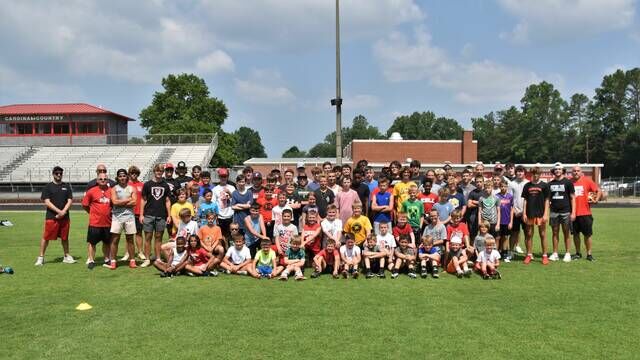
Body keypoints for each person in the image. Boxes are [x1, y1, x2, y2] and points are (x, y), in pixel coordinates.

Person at [35, 166, 76, 266]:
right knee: (46, 237)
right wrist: (59, 212)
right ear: (53, 174)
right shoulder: (48, 187)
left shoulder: (66, 186)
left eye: (60, 173)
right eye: (57, 173)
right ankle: (41, 257)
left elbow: (70, 200)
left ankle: (66, 256)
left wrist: (64, 212)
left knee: (65, 238)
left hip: (65, 217)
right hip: (51, 217)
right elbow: (47, 202)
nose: (59, 175)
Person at [140, 164, 171, 267]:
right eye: (157, 170)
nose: (159, 172)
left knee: (159, 238)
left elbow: (167, 201)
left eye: (161, 171)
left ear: (163, 172)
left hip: (161, 215)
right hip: (148, 215)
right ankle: (147, 259)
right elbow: (143, 200)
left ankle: (158, 258)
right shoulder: (147, 184)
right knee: (148, 237)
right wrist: (141, 214)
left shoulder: (165, 185)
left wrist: (169, 215)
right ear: (154, 171)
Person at [82, 173, 113, 269]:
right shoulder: (91, 191)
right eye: (101, 179)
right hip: (95, 223)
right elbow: (85, 205)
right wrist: (92, 213)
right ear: (97, 180)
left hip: (108, 222)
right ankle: (91, 260)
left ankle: (107, 259)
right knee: (92, 243)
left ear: (107, 180)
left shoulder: (112, 191)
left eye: (105, 179)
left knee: (107, 242)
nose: (103, 180)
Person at [570, 165, 602, 261]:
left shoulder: (587, 180)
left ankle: (589, 254)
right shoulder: (569, 182)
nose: (576, 172)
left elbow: (598, 190)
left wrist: (596, 199)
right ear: (572, 172)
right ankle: (578, 253)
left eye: (578, 171)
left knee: (587, 235)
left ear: (581, 172)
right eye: (574, 171)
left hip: (585, 213)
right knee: (575, 235)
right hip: (573, 214)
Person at [109, 169, 137, 269]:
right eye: (120, 176)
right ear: (117, 177)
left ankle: (132, 260)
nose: (122, 178)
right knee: (115, 239)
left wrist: (121, 202)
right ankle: (113, 261)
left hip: (129, 216)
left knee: (130, 239)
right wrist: (128, 199)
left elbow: (134, 202)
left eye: (124, 176)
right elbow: (114, 202)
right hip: (117, 217)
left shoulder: (132, 188)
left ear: (127, 177)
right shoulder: (114, 189)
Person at [522, 167, 550, 265]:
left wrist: (546, 214)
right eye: (534, 174)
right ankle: (529, 255)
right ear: (531, 174)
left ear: (540, 174)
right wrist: (524, 213)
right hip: (530, 213)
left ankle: (545, 256)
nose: (535, 175)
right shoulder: (527, 186)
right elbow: (525, 200)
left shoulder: (544, 185)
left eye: (537, 174)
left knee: (542, 235)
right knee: (529, 234)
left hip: (541, 213)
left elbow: (547, 200)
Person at [548, 163, 576, 262]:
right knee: (554, 233)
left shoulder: (568, 183)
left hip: (566, 211)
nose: (557, 171)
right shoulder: (550, 184)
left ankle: (567, 253)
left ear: (563, 171)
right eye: (556, 169)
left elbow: (573, 198)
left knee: (566, 233)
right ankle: (555, 253)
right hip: (554, 212)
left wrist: (573, 212)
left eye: (559, 169)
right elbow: (547, 199)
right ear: (553, 171)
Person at [509, 165, 528, 257]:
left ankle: (529, 253)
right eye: (518, 171)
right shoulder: (512, 184)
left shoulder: (528, 183)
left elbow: (529, 199)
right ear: (515, 173)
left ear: (524, 173)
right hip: (515, 212)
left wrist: (524, 211)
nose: (519, 173)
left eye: (521, 171)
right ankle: (511, 252)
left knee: (527, 233)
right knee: (514, 233)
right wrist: (514, 210)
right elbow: (510, 199)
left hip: (526, 213)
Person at [127, 165, 145, 261]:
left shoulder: (142, 185)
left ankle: (140, 252)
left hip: (138, 212)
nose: (133, 175)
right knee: (128, 234)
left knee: (138, 233)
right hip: (128, 212)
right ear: (129, 174)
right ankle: (128, 252)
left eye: (135, 173)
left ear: (138, 174)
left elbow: (144, 199)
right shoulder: (126, 185)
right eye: (131, 173)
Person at [212, 168, 236, 239]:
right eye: (221, 176)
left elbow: (236, 200)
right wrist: (215, 216)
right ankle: (225, 249)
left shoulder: (232, 187)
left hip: (230, 216)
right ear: (219, 177)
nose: (223, 178)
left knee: (232, 235)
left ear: (227, 177)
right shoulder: (215, 189)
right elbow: (214, 204)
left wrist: (229, 193)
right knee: (222, 236)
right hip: (220, 216)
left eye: (225, 176)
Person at [496, 179, 514, 261]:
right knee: (498, 237)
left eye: (504, 186)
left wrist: (511, 222)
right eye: (501, 186)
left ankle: (505, 252)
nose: (503, 188)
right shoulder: (497, 196)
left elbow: (512, 209)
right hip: (499, 221)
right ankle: (497, 252)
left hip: (507, 221)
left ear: (507, 187)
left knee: (506, 237)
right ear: (499, 187)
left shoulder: (510, 196)